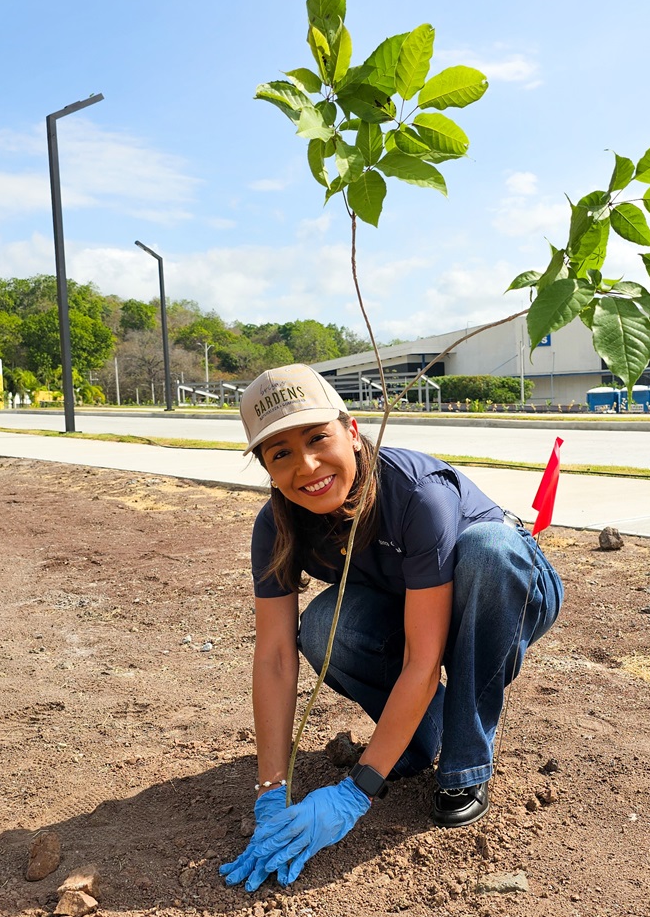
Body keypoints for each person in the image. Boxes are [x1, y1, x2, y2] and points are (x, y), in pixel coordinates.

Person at [221, 363, 564, 891]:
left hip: (500, 594)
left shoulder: (415, 494)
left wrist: (356, 791)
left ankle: (465, 765)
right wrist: (271, 789)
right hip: (408, 604)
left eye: (318, 438)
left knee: (489, 550)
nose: (307, 465)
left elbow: (423, 660)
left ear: (353, 431)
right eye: (280, 453)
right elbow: (275, 656)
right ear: (267, 467)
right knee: (321, 627)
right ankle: (421, 737)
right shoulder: (277, 525)